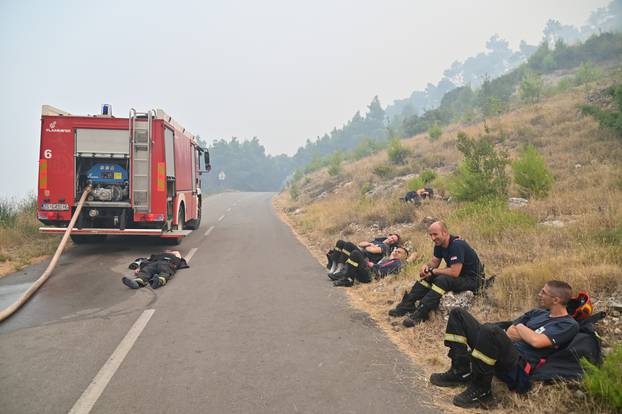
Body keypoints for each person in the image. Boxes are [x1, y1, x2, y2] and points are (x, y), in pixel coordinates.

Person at [430, 280, 579, 408]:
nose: (539, 294)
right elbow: (509, 331)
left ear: (556, 300)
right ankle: (460, 371)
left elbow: (537, 341)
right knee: (458, 314)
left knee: (491, 331)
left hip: (519, 365)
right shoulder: (537, 313)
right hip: (505, 349)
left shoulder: (568, 324)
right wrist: (523, 333)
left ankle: (482, 390)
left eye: (544, 292)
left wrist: (521, 328)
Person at [389, 221, 482, 326]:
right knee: (428, 277)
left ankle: (421, 313)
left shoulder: (457, 245)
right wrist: (426, 268)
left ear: (445, 232)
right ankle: (407, 305)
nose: (433, 238)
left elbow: (455, 272)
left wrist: (433, 271)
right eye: (431, 235)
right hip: (460, 276)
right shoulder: (439, 244)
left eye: (435, 234)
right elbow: (434, 263)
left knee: (442, 280)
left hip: (473, 279)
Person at [333, 245, 410, 287]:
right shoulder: (392, 260)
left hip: (371, 276)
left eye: (399, 252)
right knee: (353, 250)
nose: (396, 252)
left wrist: (373, 265)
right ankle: (346, 275)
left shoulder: (397, 263)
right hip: (370, 271)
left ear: (404, 256)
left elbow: (383, 271)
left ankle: (348, 279)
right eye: (396, 251)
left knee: (355, 253)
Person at [327, 234, 400, 277]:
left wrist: (369, 246)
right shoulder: (377, 241)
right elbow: (360, 244)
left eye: (394, 241)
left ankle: (340, 268)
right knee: (340, 242)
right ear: (389, 236)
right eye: (392, 237)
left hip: (364, 259)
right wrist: (369, 244)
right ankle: (334, 266)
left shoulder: (386, 247)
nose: (392, 240)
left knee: (349, 245)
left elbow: (371, 250)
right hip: (360, 253)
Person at [122, 250, 188, 289]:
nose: (168, 250)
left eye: (170, 251)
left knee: (165, 272)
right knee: (146, 270)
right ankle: (137, 283)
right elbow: (146, 260)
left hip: (167, 263)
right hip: (154, 263)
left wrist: (172, 252)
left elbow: (177, 253)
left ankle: (158, 282)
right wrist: (139, 268)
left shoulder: (175, 257)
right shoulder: (157, 255)